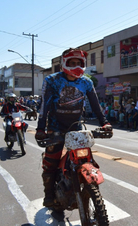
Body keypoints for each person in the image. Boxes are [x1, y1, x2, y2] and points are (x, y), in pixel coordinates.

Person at [34, 48, 110, 207]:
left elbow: (96, 106)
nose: (76, 65)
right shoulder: (52, 80)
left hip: (76, 127)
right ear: (64, 63)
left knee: (86, 158)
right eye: (72, 62)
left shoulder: (86, 82)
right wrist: (40, 129)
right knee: (51, 161)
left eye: (79, 63)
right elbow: (44, 108)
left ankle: (82, 184)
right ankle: (48, 196)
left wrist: (105, 123)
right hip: (55, 127)